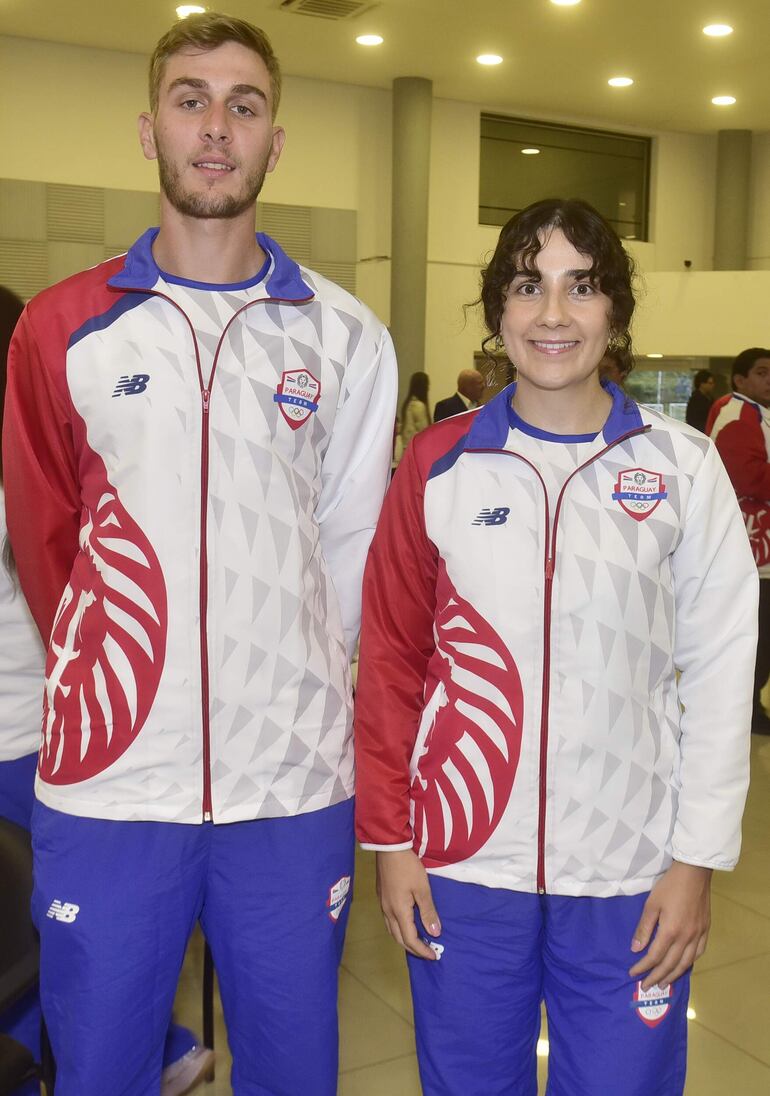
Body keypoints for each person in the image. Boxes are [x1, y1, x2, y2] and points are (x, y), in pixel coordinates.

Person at [3, 13, 396, 1095]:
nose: (215, 128)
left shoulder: (348, 337)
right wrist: (116, 678)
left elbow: (352, 550)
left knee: (291, 1069)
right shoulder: (61, 328)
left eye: (244, 105)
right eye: (190, 100)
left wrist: (288, 681)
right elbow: (47, 550)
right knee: (97, 1069)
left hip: (290, 786)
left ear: (277, 140)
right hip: (110, 780)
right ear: (149, 129)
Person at [354, 197, 756, 1096]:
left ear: (614, 310)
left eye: (582, 288)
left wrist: (694, 862)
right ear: (499, 308)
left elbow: (725, 674)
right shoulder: (440, 465)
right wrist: (392, 839)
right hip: (461, 860)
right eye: (530, 287)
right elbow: (389, 657)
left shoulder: (683, 469)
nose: (553, 314)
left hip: (631, 867)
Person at [707, 348, 770, 734]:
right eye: (762, 372)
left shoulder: (755, 412)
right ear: (740, 379)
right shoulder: (738, 411)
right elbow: (745, 477)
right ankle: (746, 711)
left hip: (759, 545)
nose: (769, 380)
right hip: (752, 547)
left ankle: (750, 707)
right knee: (756, 635)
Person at [397, 370, 432, 457]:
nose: (429, 388)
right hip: (417, 452)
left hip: (407, 450)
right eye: (427, 385)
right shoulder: (419, 406)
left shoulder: (408, 404)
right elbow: (424, 432)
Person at [685, 368, 716, 432]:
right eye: (710, 383)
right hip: (699, 432)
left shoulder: (710, 398)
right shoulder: (695, 400)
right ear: (702, 384)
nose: (713, 385)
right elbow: (692, 421)